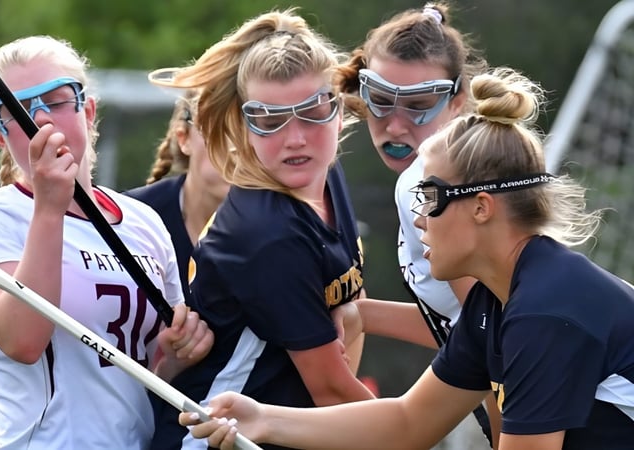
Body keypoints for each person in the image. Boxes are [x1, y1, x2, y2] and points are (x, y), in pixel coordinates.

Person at [179, 67, 634, 450]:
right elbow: (408, 422)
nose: (419, 219)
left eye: (430, 196)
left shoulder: (545, 312)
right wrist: (262, 419)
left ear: (481, 207)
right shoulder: (495, 303)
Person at [0, 35, 213, 449]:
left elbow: (147, 374)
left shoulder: (144, 222)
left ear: (87, 110)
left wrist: (178, 358)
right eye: (16, 112)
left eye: (56, 100)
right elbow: (22, 341)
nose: (41, 121)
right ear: (0, 137)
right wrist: (50, 210)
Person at [147, 9, 375, 450]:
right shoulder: (264, 234)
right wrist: (415, 428)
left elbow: (350, 314)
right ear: (243, 125)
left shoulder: (323, 174)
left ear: (339, 110)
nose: (295, 138)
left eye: (312, 111)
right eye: (269, 120)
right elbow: (330, 390)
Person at [330, 3, 499, 446]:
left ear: (457, 101)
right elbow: (463, 322)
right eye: (381, 101)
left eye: (420, 106)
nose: (396, 125)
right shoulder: (469, 165)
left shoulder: (424, 182)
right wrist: (362, 313)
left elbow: (499, 343)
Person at [125, 89, 230, 301]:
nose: (239, 147)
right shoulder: (130, 220)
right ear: (184, 138)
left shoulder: (287, 226)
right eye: (221, 128)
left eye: (253, 127)